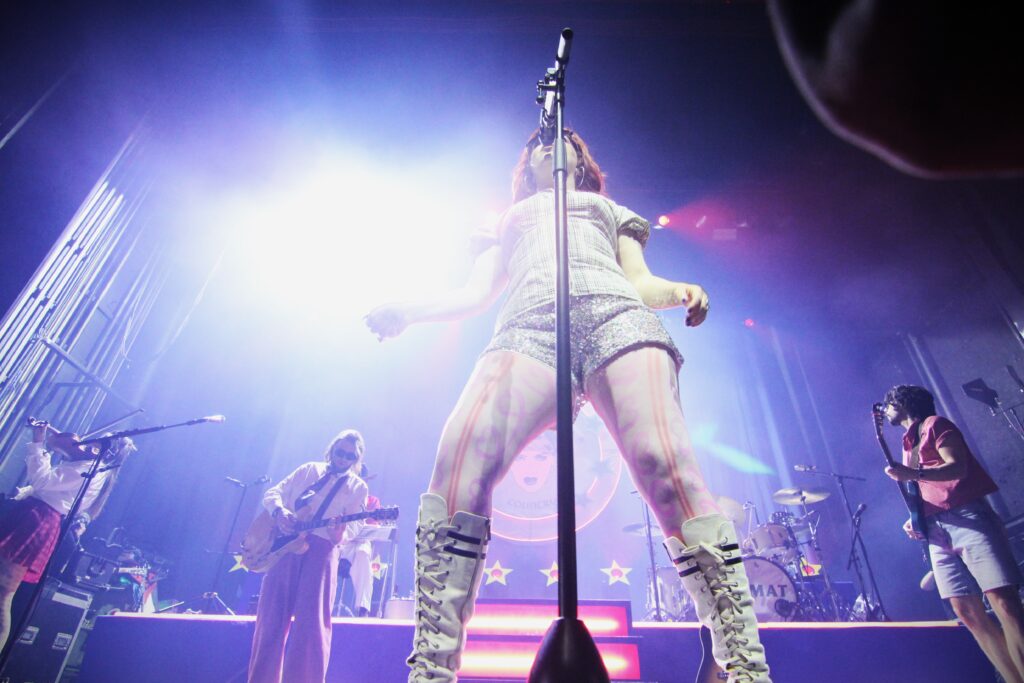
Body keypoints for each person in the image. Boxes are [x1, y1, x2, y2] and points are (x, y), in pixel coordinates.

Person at [366, 128, 771, 683]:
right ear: (525, 163)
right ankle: (432, 669)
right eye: (539, 141)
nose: (550, 145)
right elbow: (475, 294)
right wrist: (410, 311)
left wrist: (677, 291)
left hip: (618, 318)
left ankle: (745, 666)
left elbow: (639, 281)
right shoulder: (506, 221)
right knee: (461, 456)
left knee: (663, 462)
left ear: (581, 161)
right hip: (527, 327)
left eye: (564, 142)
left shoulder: (608, 209)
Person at [882, 384, 1024, 683]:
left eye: (889, 404)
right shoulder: (909, 444)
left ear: (902, 403)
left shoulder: (936, 424)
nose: (885, 410)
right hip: (936, 530)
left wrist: (913, 474)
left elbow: (957, 468)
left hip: (968, 518)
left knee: (1003, 601)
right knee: (966, 611)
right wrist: (915, 516)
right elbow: (926, 487)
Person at [247, 429, 369, 683]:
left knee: (312, 626)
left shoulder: (358, 487)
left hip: (322, 551)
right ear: (331, 450)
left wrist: (340, 534)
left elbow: (355, 526)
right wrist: (280, 512)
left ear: (357, 459)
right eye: (340, 452)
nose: (343, 459)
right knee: (270, 619)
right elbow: (273, 493)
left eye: (350, 456)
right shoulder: (308, 470)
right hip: (284, 548)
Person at [0, 421, 135, 650]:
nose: (91, 441)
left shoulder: (91, 468)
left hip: (38, 521)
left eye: (102, 439)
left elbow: (42, 480)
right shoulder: (86, 464)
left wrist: (38, 442)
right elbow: (45, 485)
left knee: (3, 594)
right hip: (32, 515)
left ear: (106, 450)